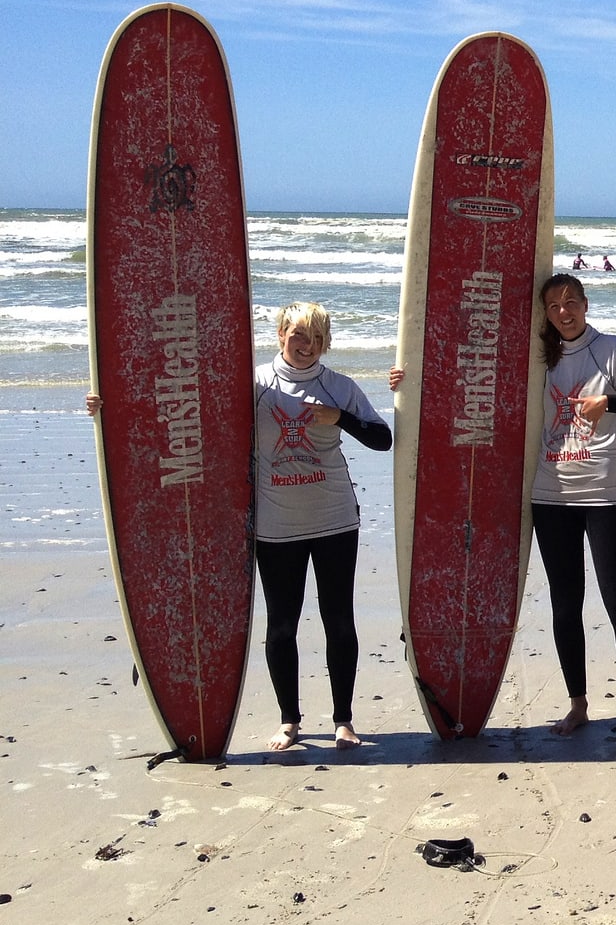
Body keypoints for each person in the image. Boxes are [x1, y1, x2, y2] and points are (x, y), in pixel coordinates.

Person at [91, 302, 394, 753]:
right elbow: (191, 416)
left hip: (334, 518)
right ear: (280, 335)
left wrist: (341, 419)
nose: (305, 344)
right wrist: (111, 405)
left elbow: (382, 438)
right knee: (282, 623)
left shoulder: (340, 388)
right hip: (274, 524)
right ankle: (289, 721)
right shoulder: (253, 384)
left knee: (338, 618)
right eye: (297, 334)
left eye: (314, 337)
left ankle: (343, 721)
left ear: (325, 342)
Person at [529, 273, 616, 736]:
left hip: (606, 495)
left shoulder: (611, 349)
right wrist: (405, 380)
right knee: (565, 605)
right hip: (551, 496)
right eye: (553, 306)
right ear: (546, 314)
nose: (563, 312)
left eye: (571, 302)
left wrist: (609, 403)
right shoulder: (537, 357)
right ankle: (577, 705)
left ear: (585, 304)